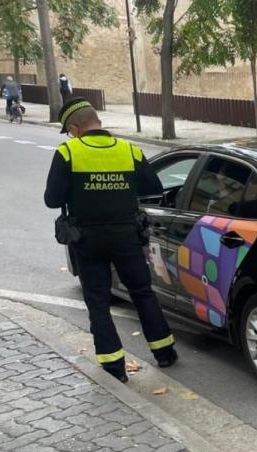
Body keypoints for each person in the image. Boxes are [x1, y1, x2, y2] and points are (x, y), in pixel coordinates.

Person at [43, 97, 178, 382]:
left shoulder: (68, 152)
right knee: (142, 292)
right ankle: (164, 352)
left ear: (76, 127)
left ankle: (114, 366)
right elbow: (153, 188)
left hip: (87, 239)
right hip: (126, 234)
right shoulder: (128, 149)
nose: (71, 136)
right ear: (98, 122)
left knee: (98, 300)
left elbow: (52, 199)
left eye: (69, 131)